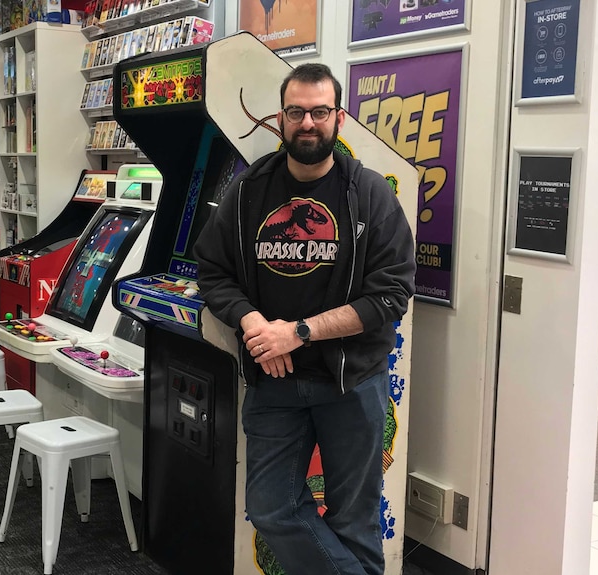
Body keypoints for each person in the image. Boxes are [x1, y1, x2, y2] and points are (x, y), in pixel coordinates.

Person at [194, 64, 416, 575]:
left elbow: (390, 295)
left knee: (354, 520)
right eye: (297, 112)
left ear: (338, 118)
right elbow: (214, 270)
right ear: (281, 117)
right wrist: (252, 324)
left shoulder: (371, 194)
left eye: (319, 111)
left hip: (352, 382)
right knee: (271, 509)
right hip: (275, 381)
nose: (308, 123)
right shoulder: (249, 192)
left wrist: (295, 333)